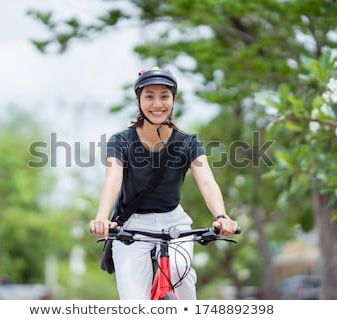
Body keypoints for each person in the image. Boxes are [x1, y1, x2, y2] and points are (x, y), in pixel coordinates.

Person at [89, 66, 238, 300]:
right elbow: (113, 179)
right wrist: (101, 217)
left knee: (181, 271)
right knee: (133, 303)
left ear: (173, 99)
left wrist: (221, 216)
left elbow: (207, 181)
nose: (157, 104)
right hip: (132, 227)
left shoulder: (188, 142)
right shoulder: (121, 141)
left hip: (173, 222)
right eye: (149, 96)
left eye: (164, 96)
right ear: (139, 100)